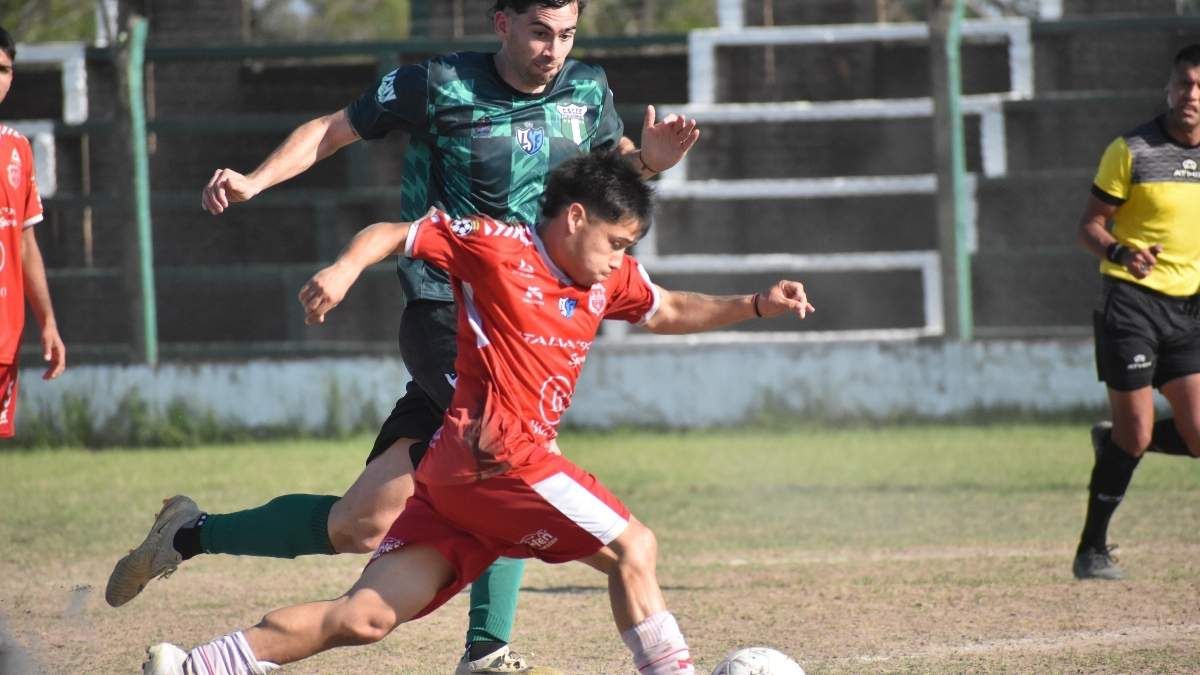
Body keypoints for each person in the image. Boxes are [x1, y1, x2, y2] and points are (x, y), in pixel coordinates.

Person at [106, 2, 699, 672]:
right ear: (501, 23)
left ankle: (189, 532)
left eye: (565, 35)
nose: (553, 50)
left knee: (359, 523)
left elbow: (615, 181)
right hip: (450, 311)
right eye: (539, 32)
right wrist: (254, 180)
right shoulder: (440, 84)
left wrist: (649, 160)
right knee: (508, 451)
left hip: (528, 320)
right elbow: (335, 129)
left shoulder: (588, 91)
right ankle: (488, 649)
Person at [142, 150, 813, 675]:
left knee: (366, 615)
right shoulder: (499, 249)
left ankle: (196, 663)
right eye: (617, 242)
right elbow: (391, 233)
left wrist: (754, 303)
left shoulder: (606, 278)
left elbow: (665, 307)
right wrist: (344, 269)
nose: (621, 259)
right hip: (500, 457)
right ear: (575, 218)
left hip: (454, 483)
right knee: (634, 547)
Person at [1073, 43, 1200, 580]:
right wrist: (1123, 252)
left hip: (1189, 309)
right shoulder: (1131, 149)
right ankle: (1092, 550)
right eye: (1183, 84)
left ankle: (1119, 441)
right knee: (1138, 433)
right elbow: (1089, 226)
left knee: (1194, 436)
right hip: (1131, 303)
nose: (1191, 95)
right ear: (1168, 88)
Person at [0, 25, 67, 440]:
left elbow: (25, 244)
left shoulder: (17, 150)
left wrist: (48, 322)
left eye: (4, 69)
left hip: (6, 337)